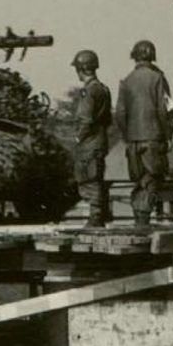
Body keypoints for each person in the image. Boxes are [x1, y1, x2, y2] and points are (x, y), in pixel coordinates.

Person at [114, 39, 173, 227]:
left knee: (139, 181)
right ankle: (143, 221)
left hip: (133, 142)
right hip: (154, 139)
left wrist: (128, 136)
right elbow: (166, 110)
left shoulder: (126, 81)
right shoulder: (159, 78)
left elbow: (120, 113)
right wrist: (168, 134)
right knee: (151, 181)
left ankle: (140, 220)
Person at [71, 50, 113, 227]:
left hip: (89, 142)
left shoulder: (88, 91)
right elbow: (108, 119)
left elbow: (85, 119)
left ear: (82, 69)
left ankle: (95, 217)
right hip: (100, 139)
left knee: (89, 179)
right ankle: (99, 215)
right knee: (96, 176)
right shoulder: (103, 89)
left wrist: (77, 137)